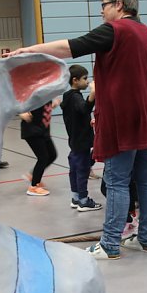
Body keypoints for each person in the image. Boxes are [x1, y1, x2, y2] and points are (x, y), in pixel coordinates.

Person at [6, 0, 147, 259]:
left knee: (118, 180)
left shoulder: (115, 30)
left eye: (105, 4)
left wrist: (29, 50)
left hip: (127, 115)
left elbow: (69, 47)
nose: (101, 9)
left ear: (119, 4)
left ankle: (109, 244)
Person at [61, 65, 101, 211]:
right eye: (85, 78)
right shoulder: (75, 96)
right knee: (83, 169)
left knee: (74, 168)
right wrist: (94, 92)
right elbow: (84, 108)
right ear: (75, 80)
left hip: (74, 140)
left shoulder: (67, 96)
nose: (87, 81)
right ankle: (83, 200)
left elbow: (79, 113)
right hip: (81, 141)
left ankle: (76, 197)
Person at [20, 100, 58, 196]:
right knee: (43, 157)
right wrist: (21, 112)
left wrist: (52, 105)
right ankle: (33, 187)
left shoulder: (47, 94)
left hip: (43, 130)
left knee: (52, 155)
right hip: (32, 130)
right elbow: (16, 100)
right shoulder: (36, 92)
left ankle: (33, 176)